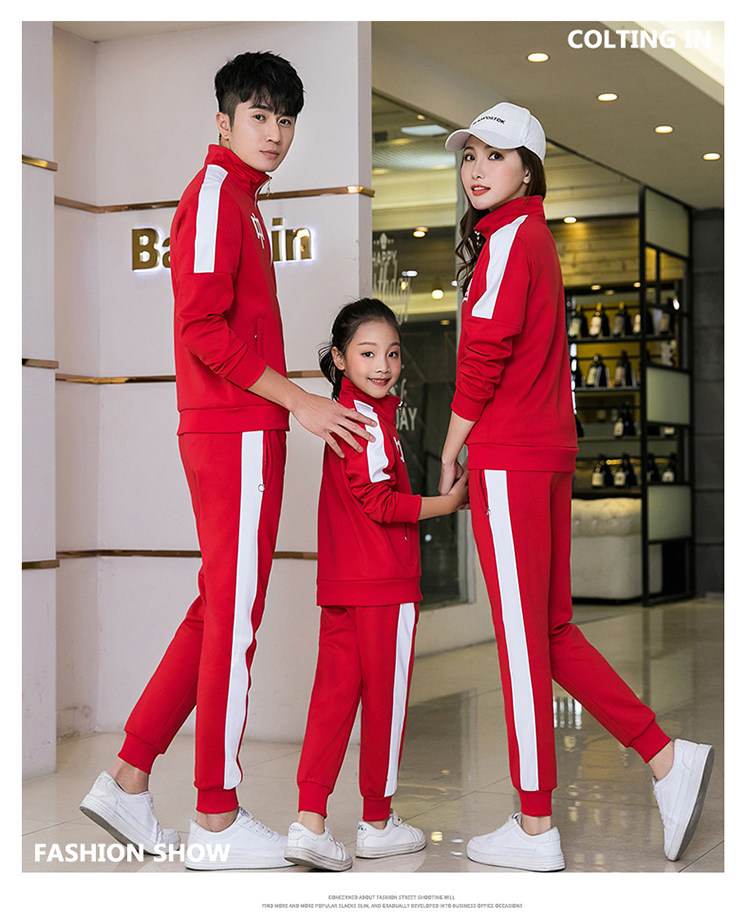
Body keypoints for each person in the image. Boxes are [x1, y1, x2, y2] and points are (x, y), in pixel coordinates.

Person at [79, 51, 375, 872]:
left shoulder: (239, 198)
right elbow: (203, 329)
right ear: (224, 121)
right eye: (259, 116)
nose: (274, 133)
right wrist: (299, 400)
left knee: (218, 608)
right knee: (233, 616)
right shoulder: (215, 196)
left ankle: (128, 777)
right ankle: (215, 816)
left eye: (286, 119)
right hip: (235, 431)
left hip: (240, 429)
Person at [437, 102, 714, 871]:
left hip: (510, 456)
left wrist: (452, 447)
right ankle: (665, 757)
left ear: (528, 171)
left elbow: (484, 352)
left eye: (495, 156)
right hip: (546, 452)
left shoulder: (508, 239)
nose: (476, 169)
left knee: (524, 644)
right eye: (470, 156)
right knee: (552, 632)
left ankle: (535, 826)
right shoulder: (532, 238)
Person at [283, 298, 469, 871]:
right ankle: (378, 823)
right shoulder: (364, 419)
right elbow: (379, 502)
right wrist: (447, 504)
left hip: (344, 583)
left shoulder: (350, 412)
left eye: (392, 353)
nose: (383, 365)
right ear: (340, 359)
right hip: (383, 584)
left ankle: (310, 821)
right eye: (367, 354)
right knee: (385, 704)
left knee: (332, 701)